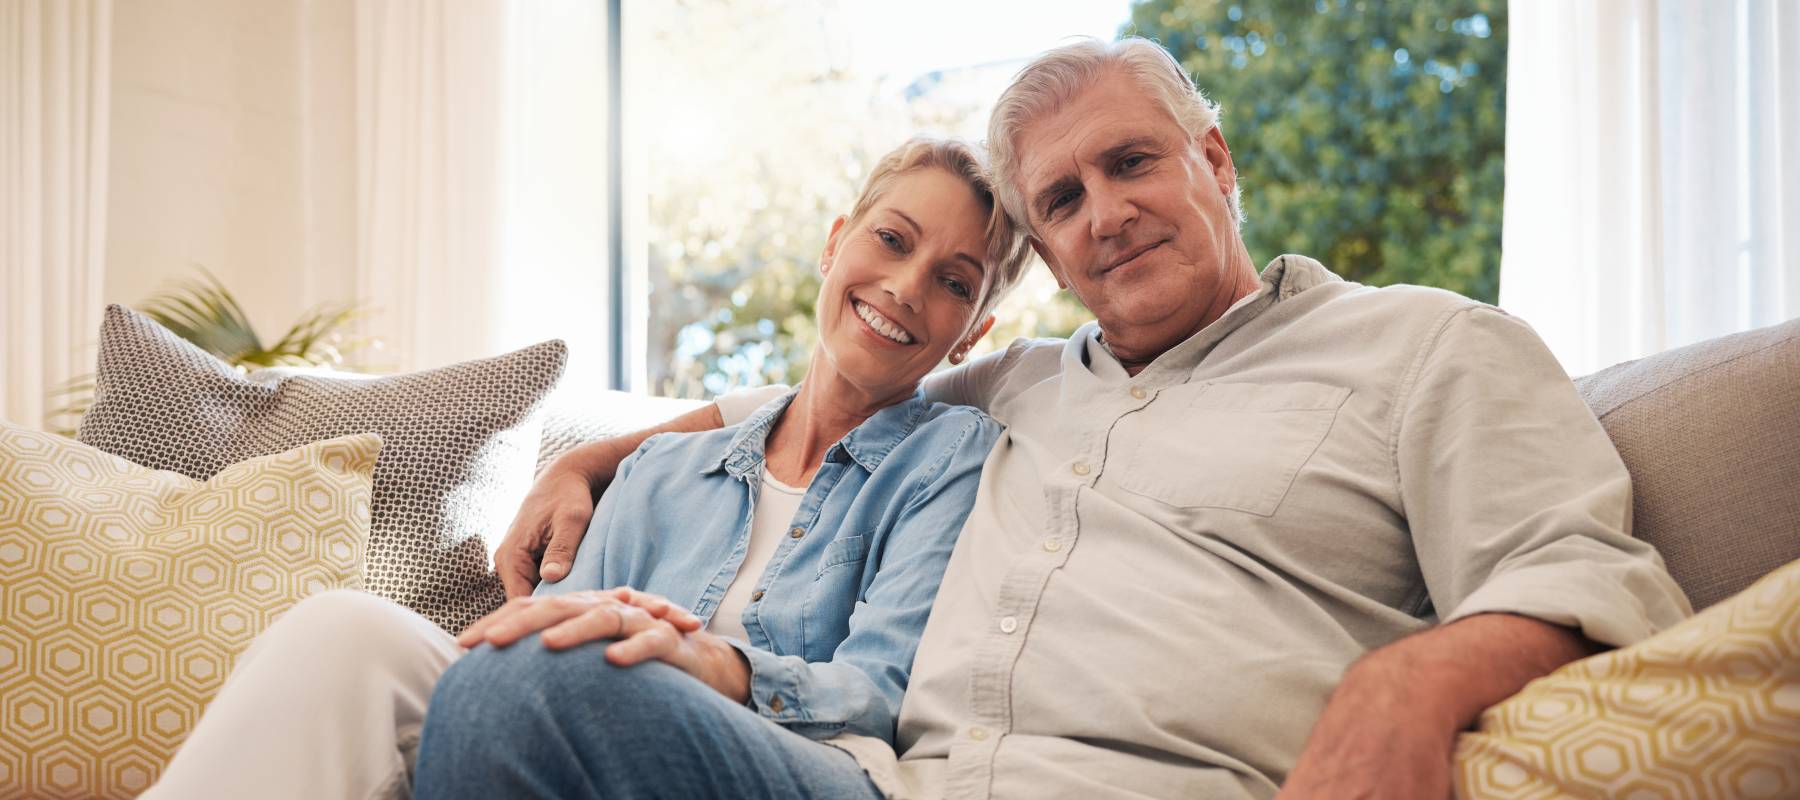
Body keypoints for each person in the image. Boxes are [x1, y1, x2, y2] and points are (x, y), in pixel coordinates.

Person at [448, 38, 1692, 799]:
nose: (1105, 211)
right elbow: (827, 391)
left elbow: (1585, 571)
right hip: (885, 789)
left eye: (1132, 162)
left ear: (1216, 160)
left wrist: (1404, 684)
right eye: (1061, 198)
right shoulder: (1014, 385)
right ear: (1044, 252)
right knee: (516, 680)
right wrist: (591, 456)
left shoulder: (1426, 345)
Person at [143, 136, 1031, 800]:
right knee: (346, 632)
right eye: (892, 239)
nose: (907, 287)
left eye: (955, 282)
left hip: (812, 764)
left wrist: (711, 662)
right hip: (585, 721)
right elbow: (544, 639)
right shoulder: (660, 469)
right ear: (835, 243)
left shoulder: (952, 460)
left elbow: (879, 694)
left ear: (974, 334)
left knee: (525, 679)